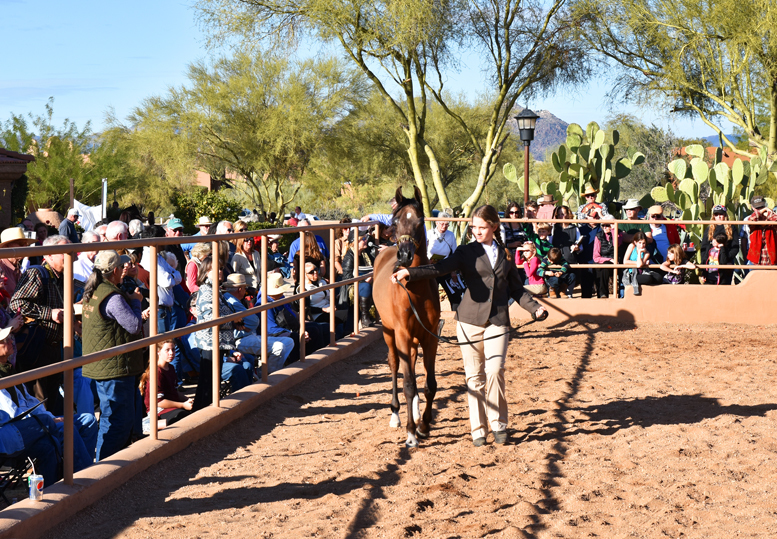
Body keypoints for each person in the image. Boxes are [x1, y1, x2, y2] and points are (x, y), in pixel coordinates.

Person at [392, 205, 547, 447]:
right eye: (474, 227)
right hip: (468, 321)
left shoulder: (505, 255)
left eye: (482, 227)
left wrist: (534, 308)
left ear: (494, 227)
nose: (477, 231)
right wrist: (409, 274)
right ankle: (478, 429)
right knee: (474, 377)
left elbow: (517, 289)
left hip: (498, 320)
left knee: (495, 371)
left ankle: (499, 424)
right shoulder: (465, 252)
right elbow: (439, 268)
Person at [81, 250, 145, 461]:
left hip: (106, 365)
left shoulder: (95, 290)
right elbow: (134, 325)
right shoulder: (112, 296)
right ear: (115, 270)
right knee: (118, 421)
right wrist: (136, 301)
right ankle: (106, 468)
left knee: (113, 418)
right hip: (115, 368)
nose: (125, 269)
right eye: (122, 267)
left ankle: (107, 465)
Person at [10, 235, 70, 415]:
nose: (71, 255)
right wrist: (49, 313)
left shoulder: (63, 277)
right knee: (41, 404)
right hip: (38, 348)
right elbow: (17, 303)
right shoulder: (37, 273)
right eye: (65, 252)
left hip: (55, 348)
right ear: (49, 255)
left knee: (52, 402)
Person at [191, 256, 247, 411]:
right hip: (210, 343)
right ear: (206, 272)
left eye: (221, 268)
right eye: (215, 269)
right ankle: (203, 412)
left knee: (209, 380)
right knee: (208, 381)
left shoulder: (214, 290)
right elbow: (211, 318)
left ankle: (202, 410)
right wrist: (232, 320)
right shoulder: (207, 291)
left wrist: (233, 322)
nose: (220, 271)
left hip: (215, 342)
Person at [221, 273, 295, 373]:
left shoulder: (234, 299)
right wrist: (245, 325)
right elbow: (254, 321)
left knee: (288, 342)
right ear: (240, 289)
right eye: (245, 288)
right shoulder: (230, 300)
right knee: (279, 347)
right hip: (239, 340)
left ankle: (266, 371)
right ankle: (266, 375)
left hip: (249, 335)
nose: (245, 291)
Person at [139, 339, 193, 428]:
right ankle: (148, 425)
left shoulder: (171, 368)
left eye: (173, 349)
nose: (171, 353)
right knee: (181, 418)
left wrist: (188, 400)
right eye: (167, 350)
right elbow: (158, 402)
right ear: (158, 352)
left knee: (195, 411)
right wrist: (183, 405)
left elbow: (174, 392)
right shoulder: (156, 372)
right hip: (159, 410)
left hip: (172, 406)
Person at [426, 211, 464, 310]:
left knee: (455, 295)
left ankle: (457, 315)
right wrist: (427, 261)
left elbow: (454, 253)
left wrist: (453, 271)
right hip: (431, 268)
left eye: (447, 224)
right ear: (437, 223)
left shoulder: (450, 235)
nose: (444, 226)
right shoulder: (429, 234)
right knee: (430, 295)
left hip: (445, 267)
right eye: (442, 224)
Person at [700, 205, 740, 285]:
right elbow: (704, 248)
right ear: (713, 216)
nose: (719, 217)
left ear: (725, 215)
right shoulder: (709, 229)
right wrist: (703, 268)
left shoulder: (731, 228)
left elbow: (735, 247)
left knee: (724, 285)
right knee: (709, 285)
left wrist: (727, 258)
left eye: (721, 214)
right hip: (711, 263)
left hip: (726, 262)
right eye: (716, 214)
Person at [0, 228, 37, 305]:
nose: (25, 246)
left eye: (26, 244)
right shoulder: (1, 267)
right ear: (6, 247)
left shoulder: (16, 266)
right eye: (21, 243)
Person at [593, 220, 625, 298]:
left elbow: (616, 244)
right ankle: (602, 294)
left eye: (607, 225)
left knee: (605, 266)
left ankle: (604, 294)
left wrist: (614, 230)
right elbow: (596, 257)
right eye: (603, 225)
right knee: (602, 267)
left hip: (617, 260)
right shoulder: (598, 236)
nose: (604, 227)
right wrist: (609, 259)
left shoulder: (619, 233)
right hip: (604, 261)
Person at [745, 196, 777, 266]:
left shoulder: (771, 219)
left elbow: (776, 219)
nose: (760, 210)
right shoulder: (752, 220)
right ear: (753, 208)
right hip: (755, 262)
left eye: (762, 207)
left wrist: (769, 212)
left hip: (771, 262)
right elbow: (751, 219)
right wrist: (761, 211)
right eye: (757, 208)